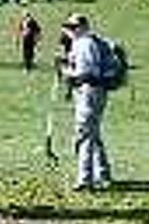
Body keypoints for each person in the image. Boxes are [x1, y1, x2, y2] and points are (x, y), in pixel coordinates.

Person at [61, 14, 112, 191]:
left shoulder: (86, 44)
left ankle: (85, 179)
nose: (70, 30)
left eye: (73, 27)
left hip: (90, 92)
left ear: (83, 27)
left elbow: (90, 73)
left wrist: (68, 73)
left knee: (83, 135)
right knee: (93, 134)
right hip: (89, 92)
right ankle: (103, 174)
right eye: (69, 27)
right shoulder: (80, 43)